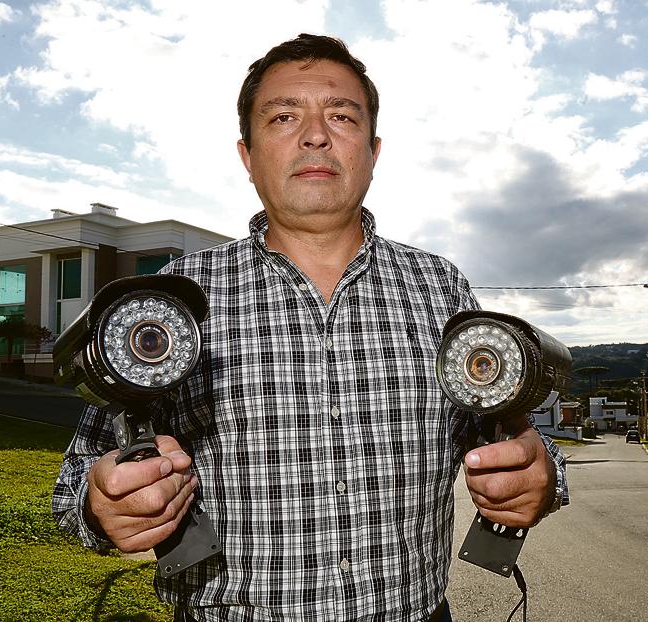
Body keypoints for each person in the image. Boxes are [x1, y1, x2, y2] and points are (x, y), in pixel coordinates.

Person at [53, 33, 568, 622]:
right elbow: (76, 488)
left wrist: (541, 474)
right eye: (283, 116)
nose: (315, 135)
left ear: (373, 151)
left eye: (341, 116)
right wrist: (103, 508)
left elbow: (508, 437)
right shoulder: (168, 304)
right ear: (247, 155)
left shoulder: (441, 287)